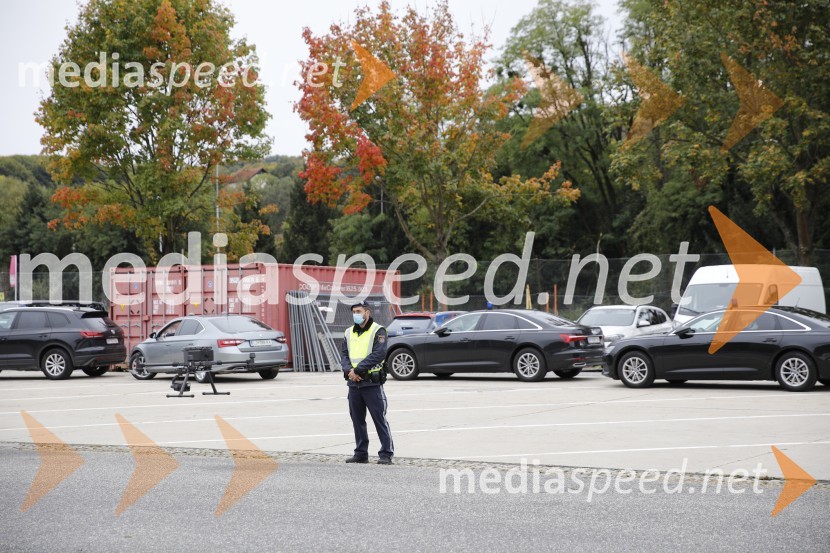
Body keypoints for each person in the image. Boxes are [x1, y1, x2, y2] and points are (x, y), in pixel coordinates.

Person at [340, 301, 394, 464]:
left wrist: (358, 370)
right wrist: (349, 370)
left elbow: (379, 354)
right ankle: (361, 453)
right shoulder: (349, 332)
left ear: (367, 312)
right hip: (354, 384)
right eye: (353, 311)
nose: (355, 314)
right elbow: (344, 354)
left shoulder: (378, 330)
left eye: (358, 311)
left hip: (371, 383)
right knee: (357, 420)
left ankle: (386, 453)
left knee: (379, 419)